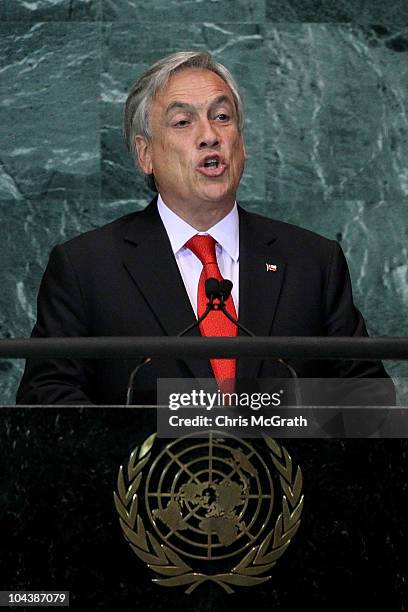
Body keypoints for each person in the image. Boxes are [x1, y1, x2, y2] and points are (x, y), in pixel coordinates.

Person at [16, 51, 394, 405]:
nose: (210, 135)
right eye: (183, 122)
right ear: (145, 154)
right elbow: (46, 398)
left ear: (241, 143)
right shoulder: (86, 267)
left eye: (222, 117)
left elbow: (368, 398)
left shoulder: (312, 262)